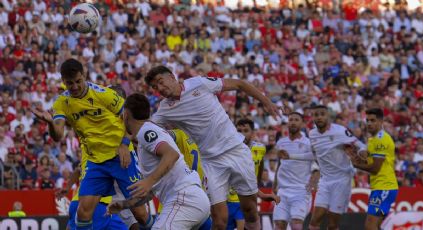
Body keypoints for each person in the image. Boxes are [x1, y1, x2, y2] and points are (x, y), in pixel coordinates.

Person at [145, 65, 282, 229]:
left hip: (236, 150)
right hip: (211, 162)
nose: (160, 88)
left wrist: (266, 101)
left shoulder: (199, 83)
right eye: (155, 87)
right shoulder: (164, 109)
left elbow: (239, 84)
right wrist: (125, 142)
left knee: (250, 211)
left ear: (172, 77)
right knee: (219, 219)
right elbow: (146, 130)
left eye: (161, 82)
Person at [31, 58, 151, 230]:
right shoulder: (61, 103)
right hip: (94, 161)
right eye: (69, 83)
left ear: (84, 75)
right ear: (63, 81)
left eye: (78, 81)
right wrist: (49, 123)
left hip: (120, 157)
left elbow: (130, 117)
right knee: (83, 212)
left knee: (140, 214)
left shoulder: (104, 94)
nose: (75, 87)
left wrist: (124, 144)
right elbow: (57, 136)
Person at [107, 93, 211, 229]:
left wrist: (148, 181)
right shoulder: (149, 136)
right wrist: (125, 204)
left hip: (184, 199)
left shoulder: (146, 131)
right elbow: (153, 191)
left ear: (125, 115)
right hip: (193, 199)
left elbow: (171, 155)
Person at [308, 105, 366, 230]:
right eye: (316, 114)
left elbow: (360, 145)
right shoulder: (312, 134)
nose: (319, 117)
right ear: (313, 117)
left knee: (333, 224)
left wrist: (361, 152)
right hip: (325, 180)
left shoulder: (340, 131)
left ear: (328, 116)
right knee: (314, 221)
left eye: (322, 114)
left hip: (342, 180)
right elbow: (314, 155)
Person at [347, 108, 398, 230]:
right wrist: (360, 159)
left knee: (370, 226)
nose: (369, 123)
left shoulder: (381, 139)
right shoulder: (373, 139)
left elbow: (375, 168)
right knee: (375, 226)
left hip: (384, 186)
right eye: (367, 120)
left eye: (373, 120)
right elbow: (372, 162)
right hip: (380, 186)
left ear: (380, 121)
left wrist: (355, 164)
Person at [226, 118, 279, 230]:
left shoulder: (260, 149)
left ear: (253, 133)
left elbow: (260, 167)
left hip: (247, 198)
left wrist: (258, 187)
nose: (242, 134)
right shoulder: (228, 150)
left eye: (246, 130)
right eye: (239, 130)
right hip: (229, 199)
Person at [273, 112, 320, 230]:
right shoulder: (281, 142)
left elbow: (317, 167)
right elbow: (280, 164)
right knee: (279, 225)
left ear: (302, 123)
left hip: (300, 190)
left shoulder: (309, 143)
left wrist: (313, 182)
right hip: (283, 191)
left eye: (296, 120)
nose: (293, 122)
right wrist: (274, 185)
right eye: (291, 119)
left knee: (296, 225)